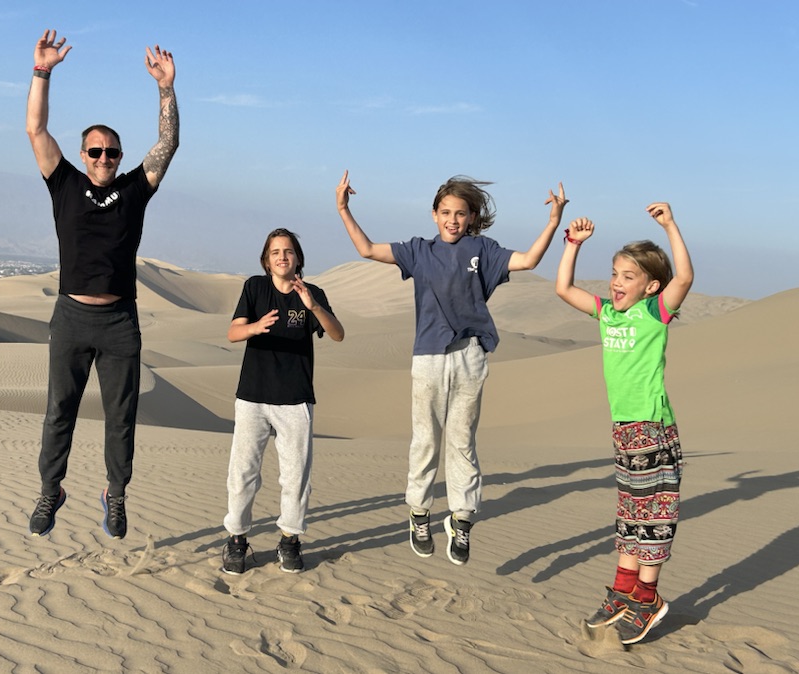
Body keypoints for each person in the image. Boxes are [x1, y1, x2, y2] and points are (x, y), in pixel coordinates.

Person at [336, 170, 567, 566]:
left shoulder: (484, 250)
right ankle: (419, 512)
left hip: (470, 356)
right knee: (425, 439)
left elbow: (529, 260)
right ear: (434, 214)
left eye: (461, 213)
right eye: (445, 212)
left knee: (462, 441)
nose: (453, 220)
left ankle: (462, 518)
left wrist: (553, 221)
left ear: (472, 217)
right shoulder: (418, 251)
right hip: (428, 356)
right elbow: (368, 249)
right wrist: (343, 208)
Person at [25, 29, 179, 539]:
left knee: (121, 417)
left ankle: (116, 494)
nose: (104, 159)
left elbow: (168, 144)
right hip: (71, 318)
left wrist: (165, 88)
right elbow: (35, 128)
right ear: (83, 152)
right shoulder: (64, 182)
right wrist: (42, 71)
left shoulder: (135, 189)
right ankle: (51, 490)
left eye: (112, 152)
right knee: (58, 412)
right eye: (95, 151)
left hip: (118, 322)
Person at [554, 204, 694, 645]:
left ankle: (648, 598)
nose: (616, 282)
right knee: (630, 516)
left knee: (654, 516)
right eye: (614, 273)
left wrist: (669, 226)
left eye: (628, 276)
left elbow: (684, 278)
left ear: (650, 286)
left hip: (652, 428)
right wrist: (572, 244)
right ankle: (623, 591)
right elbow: (563, 288)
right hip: (624, 432)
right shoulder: (607, 314)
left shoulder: (654, 312)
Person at [221, 228, 345, 574]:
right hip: (253, 397)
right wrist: (254, 327)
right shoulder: (255, 288)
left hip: (295, 399)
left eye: (288, 251)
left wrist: (313, 306)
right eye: (275, 252)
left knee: (295, 477)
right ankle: (236, 539)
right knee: (243, 472)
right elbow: (232, 333)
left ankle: (289, 540)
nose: (282, 257)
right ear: (266, 259)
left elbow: (337, 334)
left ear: (298, 258)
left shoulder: (312, 293)